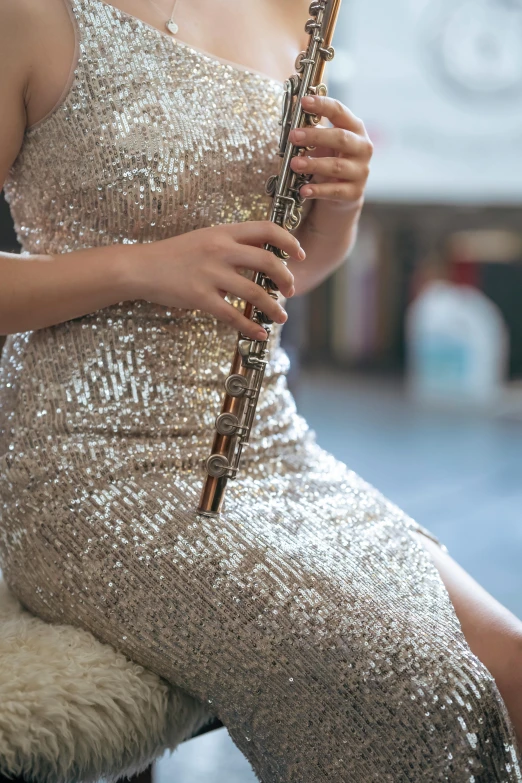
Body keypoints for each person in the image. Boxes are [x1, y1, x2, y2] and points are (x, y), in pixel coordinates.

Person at [0, 0, 521, 780]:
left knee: (513, 666)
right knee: (414, 683)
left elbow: (278, 277)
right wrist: (144, 265)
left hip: (268, 446)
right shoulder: (30, 15)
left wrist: (341, 202)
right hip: (86, 471)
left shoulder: (300, 8)